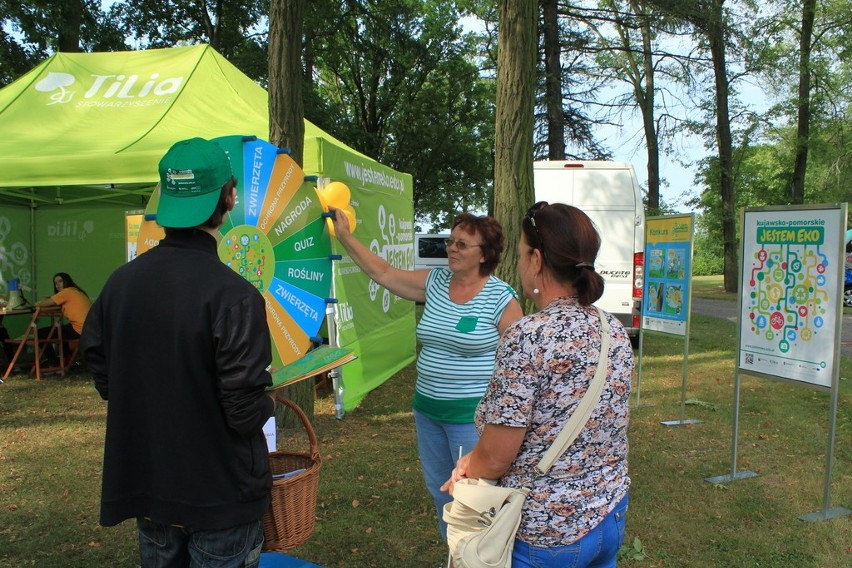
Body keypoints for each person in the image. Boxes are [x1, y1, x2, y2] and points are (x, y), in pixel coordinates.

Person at [81, 137, 274, 568]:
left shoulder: (120, 284)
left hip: (149, 487)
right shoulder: (234, 295)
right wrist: (269, 394)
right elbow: (243, 411)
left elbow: (98, 360)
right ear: (229, 197)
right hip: (220, 495)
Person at [441, 202, 634, 568]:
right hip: (610, 514)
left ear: (536, 259)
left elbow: (497, 456)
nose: (518, 263)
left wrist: (468, 469)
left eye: (520, 254)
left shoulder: (527, 336)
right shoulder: (614, 330)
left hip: (546, 533)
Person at [329, 208, 523, 541]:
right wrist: (345, 235)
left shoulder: (501, 298)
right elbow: (383, 272)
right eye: (451, 241)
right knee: (441, 492)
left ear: (484, 255)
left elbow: (520, 368)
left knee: (474, 497)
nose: (452, 248)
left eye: (462, 244)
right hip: (428, 412)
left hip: (471, 417)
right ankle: (456, 556)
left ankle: (481, 559)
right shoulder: (435, 282)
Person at [35, 272, 92, 368]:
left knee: (40, 333)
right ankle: (67, 359)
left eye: (60, 281)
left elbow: (45, 303)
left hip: (80, 329)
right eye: (55, 283)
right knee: (62, 330)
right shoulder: (77, 291)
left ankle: (55, 363)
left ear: (66, 281)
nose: (57, 285)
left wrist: (36, 303)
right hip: (89, 329)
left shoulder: (67, 292)